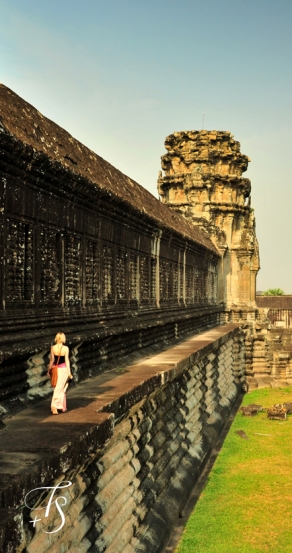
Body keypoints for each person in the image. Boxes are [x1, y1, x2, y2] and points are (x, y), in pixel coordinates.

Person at [47, 332, 72, 415]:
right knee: (59, 388)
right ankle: (54, 405)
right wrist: (69, 372)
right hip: (63, 369)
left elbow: (52, 360)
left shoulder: (53, 348)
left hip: (55, 369)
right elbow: (67, 360)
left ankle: (62, 406)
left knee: (59, 388)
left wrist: (49, 370)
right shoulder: (66, 348)